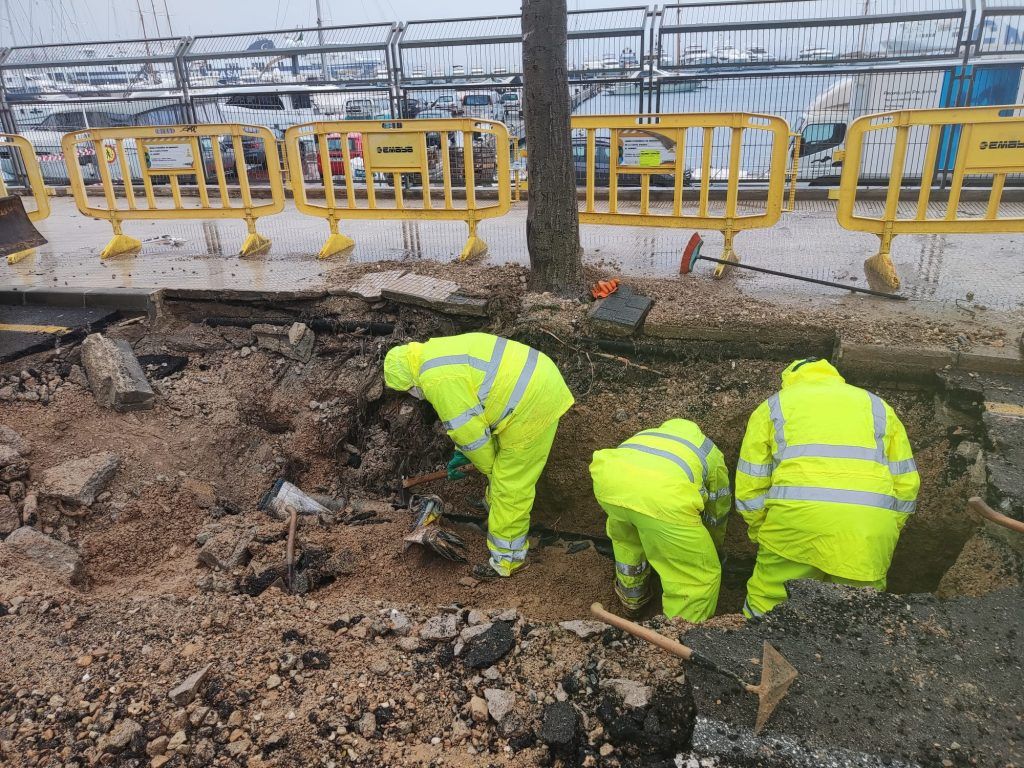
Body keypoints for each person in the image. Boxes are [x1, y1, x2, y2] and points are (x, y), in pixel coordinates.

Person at [735, 358, 920, 618]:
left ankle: (751, 651)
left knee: (770, 604)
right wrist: (888, 526)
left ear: (790, 380)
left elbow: (751, 482)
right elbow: (906, 482)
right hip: (867, 528)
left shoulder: (774, 406)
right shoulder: (878, 407)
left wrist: (761, 531)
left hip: (795, 522)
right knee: (858, 614)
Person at [384, 333, 574, 578]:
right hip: (531, 380)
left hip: (533, 403)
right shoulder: (432, 352)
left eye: (408, 390)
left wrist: (487, 466)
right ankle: (491, 506)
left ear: (410, 382)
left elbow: (472, 437)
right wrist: (462, 452)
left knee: (509, 484)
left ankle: (509, 560)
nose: (412, 393)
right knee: (498, 469)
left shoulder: (435, 380)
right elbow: (473, 411)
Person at [589, 419, 731, 621]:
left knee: (627, 541)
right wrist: (712, 546)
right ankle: (679, 633)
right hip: (665, 499)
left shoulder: (648, 434)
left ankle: (632, 601)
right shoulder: (708, 451)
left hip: (609, 484)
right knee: (696, 577)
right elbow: (717, 508)